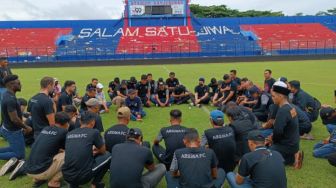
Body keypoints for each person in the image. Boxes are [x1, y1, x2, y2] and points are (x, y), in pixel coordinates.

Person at [62, 111, 110, 188]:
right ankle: (95, 184)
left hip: (66, 174)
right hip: (83, 176)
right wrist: (96, 151)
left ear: (80, 122)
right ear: (93, 122)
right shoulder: (94, 132)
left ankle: (73, 185)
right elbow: (103, 151)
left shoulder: (69, 134)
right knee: (108, 155)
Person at [25, 112, 70, 188]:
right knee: (71, 155)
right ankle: (54, 182)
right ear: (66, 123)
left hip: (29, 169)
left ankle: (37, 180)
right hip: (41, 171)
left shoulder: (45, 128)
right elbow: (69, 149)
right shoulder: (63, 131)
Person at [270, 81, 303, 169]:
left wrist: (273, 141)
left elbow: (278, 131)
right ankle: (295, 154)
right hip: (294, 143)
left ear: (280, 96)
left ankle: (293, 159)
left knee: (267, 154)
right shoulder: (290, 106)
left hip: (288, 145)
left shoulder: (282, 111)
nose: (272, 98)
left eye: (273, 96)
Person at [0, 75, 32, 163]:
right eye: (19, 83)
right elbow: (14, 119)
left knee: (16, 148)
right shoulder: (10, 99)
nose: (21, 85)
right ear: (11, 84)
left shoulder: (7, 94)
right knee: (19, 155)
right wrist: (26, 127)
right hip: (12, 131)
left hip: (8, 128)